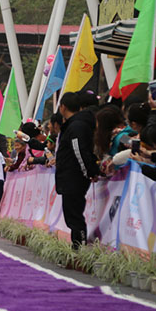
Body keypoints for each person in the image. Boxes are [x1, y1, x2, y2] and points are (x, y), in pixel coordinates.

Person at [55, 91, 99, 249]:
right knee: (72, 215)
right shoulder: (75, 124)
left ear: (63, 107)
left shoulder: (76, 126)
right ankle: (77, 247)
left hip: (74, 177)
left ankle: (79, 248)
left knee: (74, 215)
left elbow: (79, 151)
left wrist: (89, 172)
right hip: (71, 176)